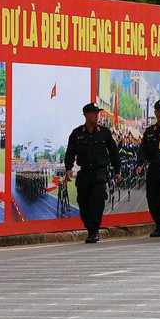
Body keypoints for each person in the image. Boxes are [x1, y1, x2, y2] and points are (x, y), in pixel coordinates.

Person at [63, 103, 121, 243]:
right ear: (86, 115)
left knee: (97, 201)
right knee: (83, 202)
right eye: (94, 113)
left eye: (97, 113)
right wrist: (69, 168)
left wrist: (117, 170)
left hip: (99, 172)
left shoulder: (104, 132)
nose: (97, 115)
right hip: (84, 173)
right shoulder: (77, 133)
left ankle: (94, 230)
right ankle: (90, 228)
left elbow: (113, 152)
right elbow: (70, 152)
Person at [140, 100, 160, 237]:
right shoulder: (149, 132)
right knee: (152, 198)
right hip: (154, 168)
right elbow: (142, 150)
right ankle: (158, 226)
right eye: (158, 111)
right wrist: (139, 164)